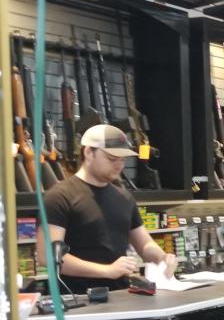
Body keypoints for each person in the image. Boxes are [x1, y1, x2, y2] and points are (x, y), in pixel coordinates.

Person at [38, 124, 177, 295]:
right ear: (89, 152)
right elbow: (48, 256)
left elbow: (144, 244)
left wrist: (162, 257)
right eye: (112, 159)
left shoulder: (124, 198)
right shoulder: (59, 196)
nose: (119, 166)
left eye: (123, 160)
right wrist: (107, 270)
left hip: (120, 296)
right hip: (77, 300)